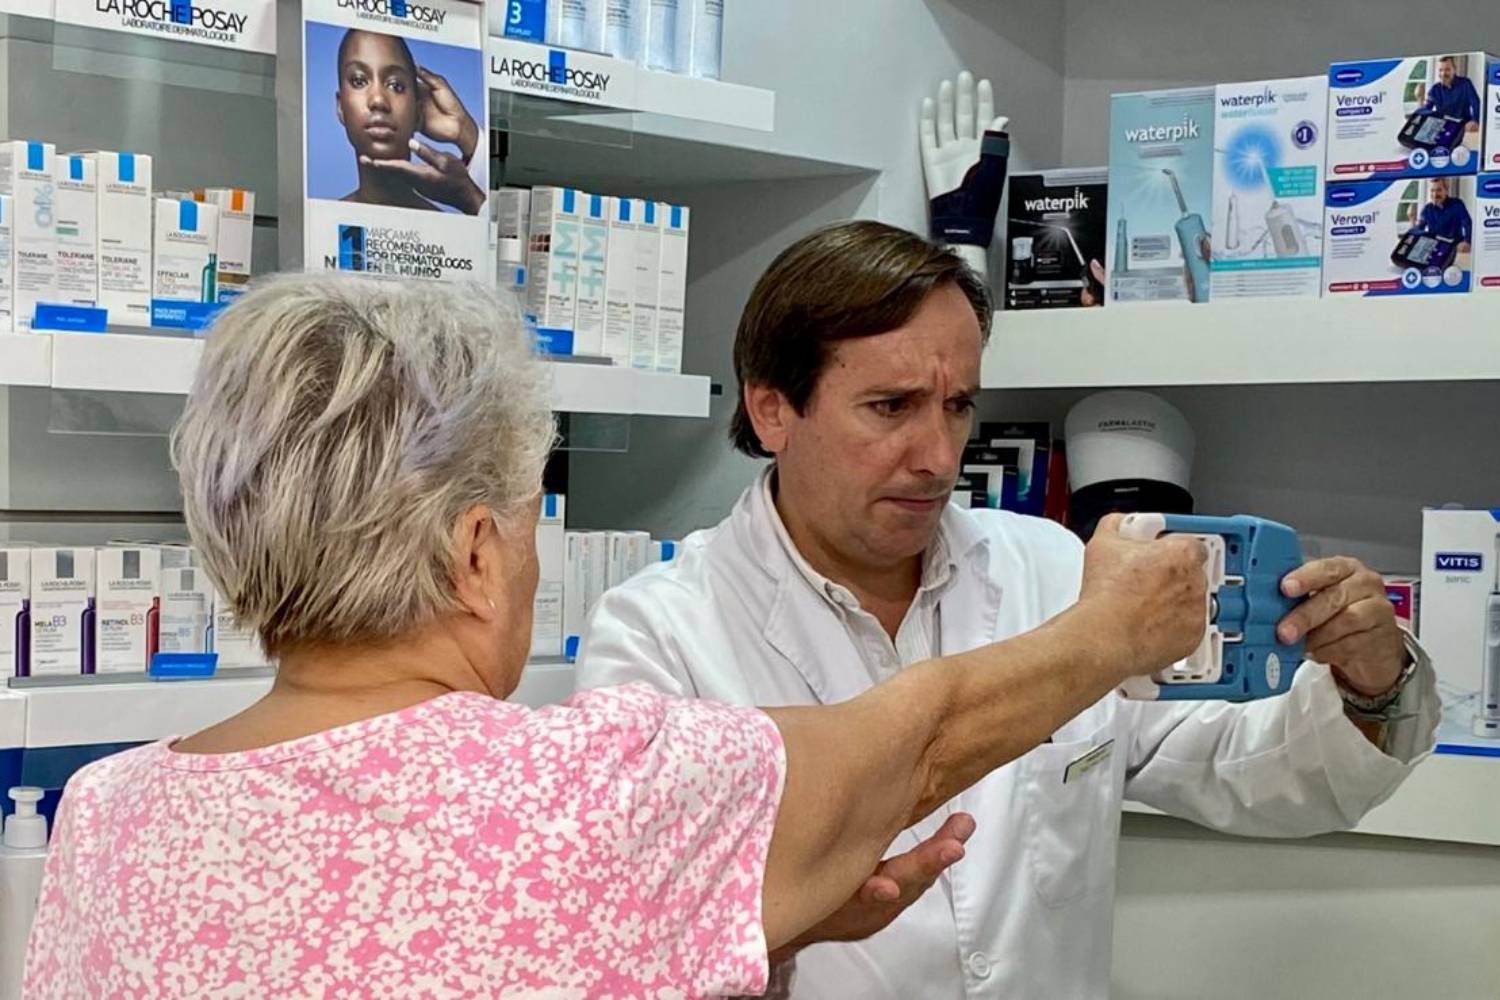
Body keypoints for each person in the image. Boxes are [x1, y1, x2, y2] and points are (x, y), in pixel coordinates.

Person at [22, 274, 1210, 999]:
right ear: (478, 555)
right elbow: (926, 733)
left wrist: (779, 909)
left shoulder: (107, 815)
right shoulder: (593, 789)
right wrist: (1110, 630)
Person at [576, 221, 1441, 999]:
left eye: (957, 407)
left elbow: (1242, 769)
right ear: (773, 409)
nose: (935, 455)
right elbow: (646, 938)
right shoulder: (663, 634)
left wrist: (1369, 683)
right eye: (891, 407)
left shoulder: (1054, 571)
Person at [334, 28, 485, 215]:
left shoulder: (447, 231)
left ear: (418, 111)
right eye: (359, 81)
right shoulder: (321, 222)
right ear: (340, 107)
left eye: (395, 85)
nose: (378, 100)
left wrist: (465, 131)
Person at [1420, 55, 1482, 131]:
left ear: (1454, 70)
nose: (1443, 74)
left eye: (1447, 70)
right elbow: (1426, 109)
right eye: (1440, 70)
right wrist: (1420, 99)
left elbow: (1476, 104)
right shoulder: (1434, 89)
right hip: (1443, 128)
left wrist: (1475, 121)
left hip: (1463, 127)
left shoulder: (1466, 83)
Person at [1411, 175, 1473, 251]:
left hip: (1455, 248)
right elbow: (1419, 228)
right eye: (1432, 190)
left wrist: (1467, 241)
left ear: (1446, 190)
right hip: (1435, 248)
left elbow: (1468, 224)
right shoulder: (1427, 209)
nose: (1435, 194)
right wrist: (1412, 220)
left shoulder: (1457, 204)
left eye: (1438, 190)